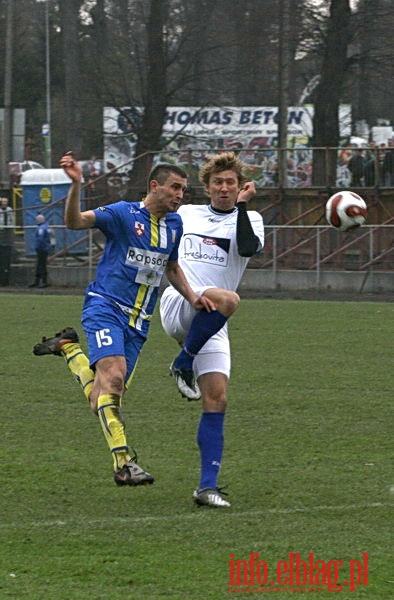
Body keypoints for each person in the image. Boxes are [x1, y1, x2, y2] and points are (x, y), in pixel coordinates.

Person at [33, 151, 214, 488]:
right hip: (106, 308)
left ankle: (69, 350)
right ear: (154, 185)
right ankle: (124, 463)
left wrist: (193, 297)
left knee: (103, 396)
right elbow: (75, 222)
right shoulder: (122, 214)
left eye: (184, 190)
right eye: (175, 187)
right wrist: (76, 185)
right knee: (113, 382)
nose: (180, 195)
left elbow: (171, 267)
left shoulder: (175, 225)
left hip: (139, 322)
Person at [159, 152, 265, 508]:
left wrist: (244, 208)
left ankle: (207, 487)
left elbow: (249, 248)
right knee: (230, 300)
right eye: (217, 183)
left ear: (239, 187)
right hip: (181, 302)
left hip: (211, 320)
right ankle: (183, 361)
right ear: (206, 187)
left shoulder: (250, 220)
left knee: (217, 399)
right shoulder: (186, 214)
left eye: (230, 183)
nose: (224, 188)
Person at [29, 213, 54, 288]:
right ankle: (38, 281)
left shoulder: (41, 228)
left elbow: (40, 239)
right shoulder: (47, 227)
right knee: (40, 265)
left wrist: (38, 247)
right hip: (45, 248)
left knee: (41, 265)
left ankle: (43, 281)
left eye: (37, 220)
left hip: (42, 249)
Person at [0, 196, 15, 286]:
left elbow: (11, 221)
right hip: (1, 231)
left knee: (6, 261)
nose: (4, 203)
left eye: (6, 201)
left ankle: (5, 280)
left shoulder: (9, 210)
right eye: (3, 201)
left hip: (7, 233)